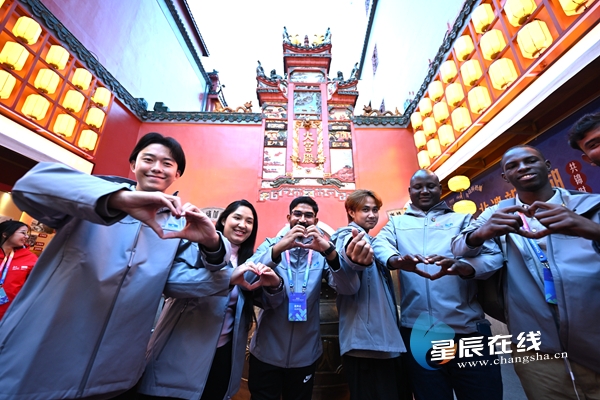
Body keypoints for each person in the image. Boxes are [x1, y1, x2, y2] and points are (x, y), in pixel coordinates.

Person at [0, 132, 231, 400]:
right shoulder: (93, 196)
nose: (157, 168)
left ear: (177, 174)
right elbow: (31, 185)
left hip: (115, 373)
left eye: (167, 163)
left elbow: (174, 281)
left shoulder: (177, 224)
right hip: (42, 359)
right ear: (133, 164)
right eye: (149, 159)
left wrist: (214, 245)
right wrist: (118, 200)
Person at [452, 145, 600, 400]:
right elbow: (458, 247)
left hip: (593, 331)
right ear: (505, 177)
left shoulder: (588, 205)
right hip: (534, 343)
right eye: (512, 166)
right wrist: (481, 233)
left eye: (530, 161)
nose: (522, 168)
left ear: (547, 165)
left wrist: (588, 228)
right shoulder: (497, 213)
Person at [373, 169, 502, 400]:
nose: (424, 191)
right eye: (418, 187)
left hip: (468, 331)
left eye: (430, 186)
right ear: (410, 191)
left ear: (440, 189)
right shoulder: (396, 223)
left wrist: (466, 267)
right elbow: (380, 245)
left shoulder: (462, 220)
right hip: (419, 332)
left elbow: (493, 255)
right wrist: (396, 260)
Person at [138, 200, 281, 400]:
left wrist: (275, 285)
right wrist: (227, 278)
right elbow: (170, 284)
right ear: (223, 220)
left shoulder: (249, 261)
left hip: (225, 352)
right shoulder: (197, 246)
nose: (243, 225)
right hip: (183, 347)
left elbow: (268, 302)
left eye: (249, 222)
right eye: (237, 218)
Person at [247, 196, 361, 400]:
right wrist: (279, 248)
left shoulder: (322, 253)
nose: (302, 219)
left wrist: (329, 251)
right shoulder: (271, 245)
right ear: (289, 218)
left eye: (308, 215)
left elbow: (350, 287)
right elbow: (246, 279)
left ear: (315, 221)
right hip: (266, 351)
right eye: (297, 214)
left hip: (305, 355)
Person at [331, 189, 411, 400]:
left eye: (375, 210)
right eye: (365, 209)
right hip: (366, 344)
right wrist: (353, 258)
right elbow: (347, 255)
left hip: (383, 340)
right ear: (351, 211)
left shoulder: (373, 240)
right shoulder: (347, 235)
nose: (372, 215)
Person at [0, 221, 38, 320]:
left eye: (27, 234)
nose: (26, 236)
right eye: (23, 233)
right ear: (5, 234)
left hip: (9, 313)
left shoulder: (30, 258)